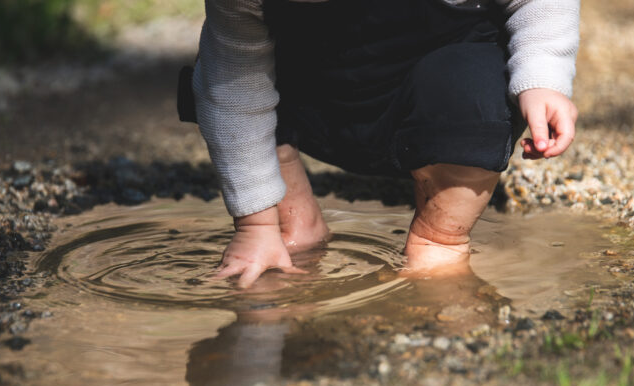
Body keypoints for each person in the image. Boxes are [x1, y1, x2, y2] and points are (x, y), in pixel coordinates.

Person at [178, 0, 580, 288]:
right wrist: (255, 224)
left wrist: (542, 76)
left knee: (475, 87)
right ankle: (292, 222)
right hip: (322, 103)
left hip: (438, 105)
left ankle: (438, 242)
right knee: (229, 86)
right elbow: (234, 88)